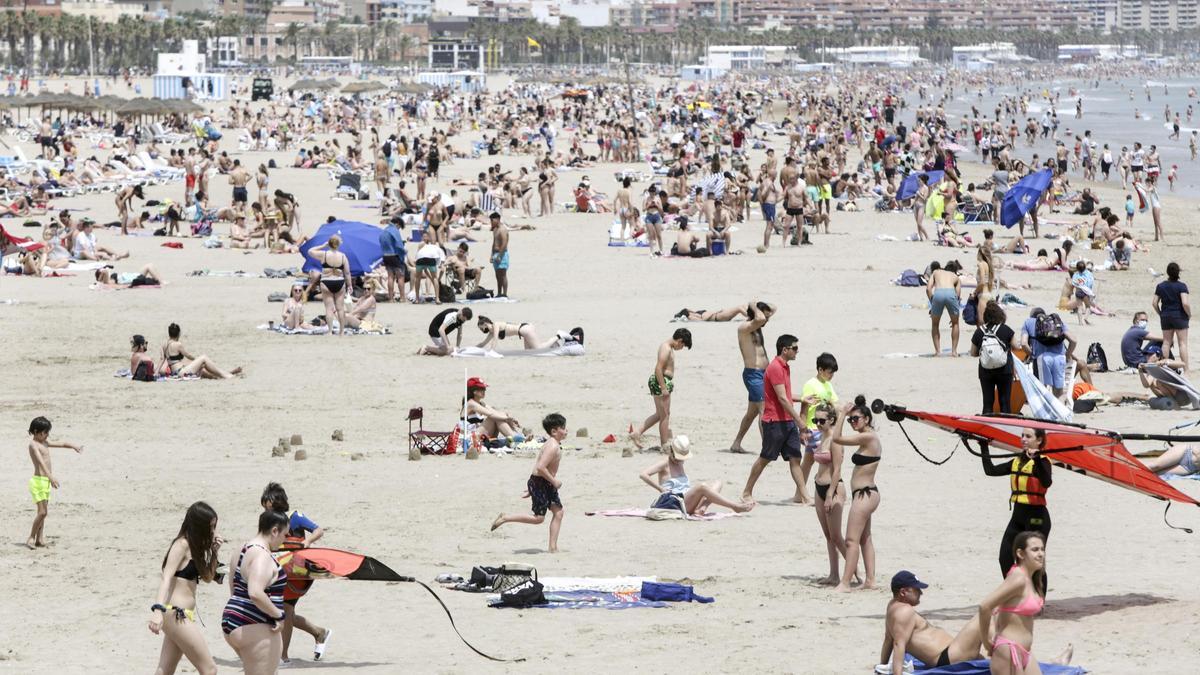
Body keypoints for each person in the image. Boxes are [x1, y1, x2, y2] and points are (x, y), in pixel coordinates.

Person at [260, 483, 332, 665]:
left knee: (285, 610)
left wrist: (307, 541)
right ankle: (319, 633)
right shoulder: (268, 521)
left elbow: (319, 530)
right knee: (284, 613)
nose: (268, 511)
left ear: (279, 503)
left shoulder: (295, 517)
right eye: (265, 508)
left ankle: (283, 656)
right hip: (277, 571)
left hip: (298, 573)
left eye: (270, 506)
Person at [150, 502, 222, 675]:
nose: (213, 531)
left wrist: (214, 552)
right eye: (210, 527)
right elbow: (166, 577)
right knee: (210, 669)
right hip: (175, 613)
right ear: (199, 525)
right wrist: (157, 610)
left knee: (165, 670)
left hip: (182, 615)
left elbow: (208, 577)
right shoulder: (181, 545)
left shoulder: (194, 548)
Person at [741, 334, 807, 503]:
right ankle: (746, 492)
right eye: (795, 348)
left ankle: (805, 496)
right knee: (765, 458)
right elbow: (782, 399)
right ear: (785, 350)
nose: (797, 352)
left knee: (795, 458)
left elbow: (785, 394)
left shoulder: (785, 366)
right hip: (774, 421)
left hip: (786, 420)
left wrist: (803, 399)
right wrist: (799, 421)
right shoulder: (776, 368)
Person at [221, 509, 289, 675]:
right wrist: (278, 615)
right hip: (255, 624)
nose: (285, 540)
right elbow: (255, 592)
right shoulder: (262, 556)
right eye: (285, 535)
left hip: (232, 619)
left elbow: (234, 587)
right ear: (274, 531)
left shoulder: (242, 549)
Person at [978, 428, 1052, 577]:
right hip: (1018, 516)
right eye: (1022, 436)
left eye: (1028, 436)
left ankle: (1038, 600)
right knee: (1004, 557)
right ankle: (1016, 591)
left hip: (1036, 518)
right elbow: (991, 470)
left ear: (1039, 440)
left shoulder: (1043, 461)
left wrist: (1036, 458)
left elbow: (1046, 481)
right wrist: (983, 446)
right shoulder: (1018, 461)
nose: (1023, 439)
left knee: (1034, 563)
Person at [490, 413, 567, 553]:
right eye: (563, 428)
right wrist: (554, 481)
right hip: (542, 482)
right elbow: (540, 467)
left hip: (543, 483)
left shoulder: (554, 444)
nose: (566, 430)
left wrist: (534, 488)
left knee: (559, 512)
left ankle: (553, 548)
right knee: (538, 518)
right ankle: (505, 517)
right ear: (554, 431)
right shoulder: (552, 446)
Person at [880, 571, 985, 673]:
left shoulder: (892, 606)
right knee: (984, 613)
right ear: (903, 592)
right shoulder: (904, 611)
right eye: (916, 590)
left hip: (950, 653)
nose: (921, 593)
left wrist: (882, 667)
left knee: (985, 660)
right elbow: (898, 644)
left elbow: (888, 639)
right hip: (948, 659)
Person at [977, 532, 1048, 675]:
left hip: (1025, 652)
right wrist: (986, 642)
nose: (1040, 554)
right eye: (1035, 550)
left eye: (1042, 549)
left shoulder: (1031, 578)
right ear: (1021, 554)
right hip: (1009, 651)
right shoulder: (1018, 579)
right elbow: (984, 606)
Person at [831, 396, 880, 592]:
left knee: (851, 540)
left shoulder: (868, 437)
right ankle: (870, 580)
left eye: (856, 419)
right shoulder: (869, 437)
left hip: (865, 495)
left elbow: (836, 438)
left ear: (867, 419)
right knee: (864, 538)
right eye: (851, 419)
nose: (853, 422)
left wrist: (842, 414)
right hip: (866, 494)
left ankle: (845, 583)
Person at [639, 436, 753, 515]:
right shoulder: (665, 463)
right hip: (676, 503)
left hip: (688, 500)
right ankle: (734, 506)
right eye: (678, 458)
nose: (680, 461)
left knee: (718, 483)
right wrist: (660, 488)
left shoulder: (680, 462)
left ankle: (702, 508)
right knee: (701, 487)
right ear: (671, 452)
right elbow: (643, 474)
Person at [630, 328, 693, 450]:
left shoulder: (668, 347)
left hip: (662, 381)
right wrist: (663, 388)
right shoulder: (666, 348)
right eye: (683, 345)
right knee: (665, 415)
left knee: (660, 414)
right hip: (661, 381)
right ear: (679, 341)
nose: (682, 348)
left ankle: (637, 433)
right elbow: (658, 368)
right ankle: (664, 444)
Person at [25, 416, 82, 549]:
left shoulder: (44, 442)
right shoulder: (33, 445)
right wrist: (51, 477)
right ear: (36, 431)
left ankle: (39, 539)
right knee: (42, 512)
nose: (47, 435)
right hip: (38, 481)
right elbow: (40, 462)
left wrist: (74, 446)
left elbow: (61, 444)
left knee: (44, 512)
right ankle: (31, 538)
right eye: (45, 432)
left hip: (45, 481)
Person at [731, 301, 776, 453]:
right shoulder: (744, 328)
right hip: (754, 374)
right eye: (764, 315)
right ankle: (767, 447)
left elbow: (774, 308)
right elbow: (761, 319)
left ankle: (736, 443)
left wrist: (757, 304)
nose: (767, 320)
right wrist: (753, 305)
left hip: (764, 374)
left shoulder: (757, 326)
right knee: (764, 409)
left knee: (752, 413)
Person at [810, 403, 847, 585]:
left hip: (834, 489)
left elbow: (837, 469)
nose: (817, 423)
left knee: (837, 537)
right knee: (828, 536)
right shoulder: (821, 436)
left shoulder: (835, 440)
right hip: (819, 487)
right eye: (815, 419)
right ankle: (834, 574)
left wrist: (831, 494)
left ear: (831, 420)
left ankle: (853, 572)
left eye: (821, 420)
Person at [797, 352, 840, 503]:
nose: (832, 375)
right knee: (828, 461)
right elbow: (803, 408)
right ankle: (811, 493)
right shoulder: (810, 384)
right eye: (830, 372)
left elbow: (835, 405)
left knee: (808, 462)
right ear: (820, 370)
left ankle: (799, 495)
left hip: (825, 429)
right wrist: (802, 430)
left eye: (833, 373)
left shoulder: (828, 385)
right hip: (814, 428)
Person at [1020, 308, 1077, 402]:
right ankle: (1059, 414)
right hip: (1060, 358)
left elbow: (1023, 344)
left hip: (1042, 359)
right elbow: (1073, 340)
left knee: (1042, 390)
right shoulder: (1057, 322)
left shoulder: (1028, 322)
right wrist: (1067, 355)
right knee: (1059, 392)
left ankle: (1044, 415)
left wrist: (1032, 355)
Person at [971, 301, 1018, 414]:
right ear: (1001, 315)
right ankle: (1006, 427)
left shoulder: (979, 331)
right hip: (1004, 370)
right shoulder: (1006, 329)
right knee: (1005, 402)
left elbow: (973, 353)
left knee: (988, 402)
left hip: (985, 370)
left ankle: (987, 427)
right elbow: (1016, 346)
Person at [305, 235, 352, 336]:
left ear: (329, 243)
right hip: (339, 282)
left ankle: (330, 331)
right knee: (340, 308)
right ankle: (342, 331)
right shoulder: (343, 256)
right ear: (338, 244)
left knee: (329, 309)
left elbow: (310, 251)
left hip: (326, 281)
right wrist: (350, 285)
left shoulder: (324, 254)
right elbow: (347, 273)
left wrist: (322, 246)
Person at [159, 323, 242, 379]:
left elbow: (162, 360)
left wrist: (155, 372)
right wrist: (197, 359)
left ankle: (224, 374)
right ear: (178, 334)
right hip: (181, 372)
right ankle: (228, 376)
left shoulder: (164, 344)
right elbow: (188, 356)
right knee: (203, 358)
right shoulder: (178, 344)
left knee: (202, 367)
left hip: (175, 372)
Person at [1153, 262, 1190, 372]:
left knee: (1166, 342)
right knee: (1182, 343)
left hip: (1166, 316)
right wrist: (1188, 314)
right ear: (1178, 272)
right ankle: (1186, 369)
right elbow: (1185, 303)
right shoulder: (1181, 286)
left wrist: (1160, 313)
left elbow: (1154, 303)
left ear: (1168, 273)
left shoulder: (1161, 286)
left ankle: (1166, 367)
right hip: (1179, 316)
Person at [463, 377, 522, 442]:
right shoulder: (470, 403)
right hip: (470, 439)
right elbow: (491, 414)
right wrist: (506, 418)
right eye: (482, 389)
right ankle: (514, 437)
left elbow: (496, 413)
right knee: (494, 418)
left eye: (484, 389)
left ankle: (514, 436)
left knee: (501, 415)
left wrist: (510, 418)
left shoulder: (481, 404)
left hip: (480, 436)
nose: (484, 391)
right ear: (474, 391)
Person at [926, 260, 962, 356]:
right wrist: (954, 315)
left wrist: (932, 303)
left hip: (938, 293)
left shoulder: (936, 272)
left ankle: (938, 352)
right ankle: (954, 352)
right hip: (951, 293)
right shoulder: (956, 277)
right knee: (955, 324)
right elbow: (957, 296)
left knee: (935, 324)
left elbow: (928, 288)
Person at [475, 316, 561, 351]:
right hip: (523, 331)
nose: (481, 330)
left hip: (524, 329)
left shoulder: (496, 325)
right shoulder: (491, 332)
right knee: (529, 353)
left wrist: (491, 351)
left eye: (480, 328)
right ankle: (553, 346)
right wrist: (470, 349)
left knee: (538, 349)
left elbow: (495, 339)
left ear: (485, 324)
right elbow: (483, 344)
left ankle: (558, 336)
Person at [378, 216, 407, 302]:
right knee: (400, 277)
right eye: (399, 227)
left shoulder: (384, 231)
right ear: (397, 224)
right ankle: (402, 298)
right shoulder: (394, 230)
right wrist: (404, 252)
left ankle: (391, 298)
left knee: (390, 277)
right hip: (394, 256)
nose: (399, 229)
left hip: (385, 255)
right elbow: (399, 245)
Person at [489, 212, 510, 297]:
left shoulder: (503, 229)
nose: (491, 222)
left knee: (503, 274)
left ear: (497, 219)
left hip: (502, 254)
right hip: (495, 253)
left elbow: (504, 243)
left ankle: (504, 293)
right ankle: (499, 293)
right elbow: (494, 243)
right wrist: (491, 255)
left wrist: (500, 255)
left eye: (492, 220)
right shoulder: (495, 229)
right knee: (497, 275)